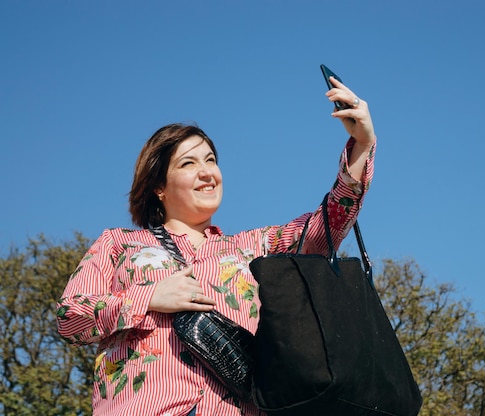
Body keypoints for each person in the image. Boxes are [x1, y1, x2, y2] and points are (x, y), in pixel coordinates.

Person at [56, 75, 376, 416]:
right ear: (159, 187)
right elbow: (70, 318)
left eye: (211, 160)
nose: (207, 172)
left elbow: (325, 226)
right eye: (188, 163)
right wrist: (147, 298)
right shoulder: (118, 244)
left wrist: (362, 146)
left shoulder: (253, 247)